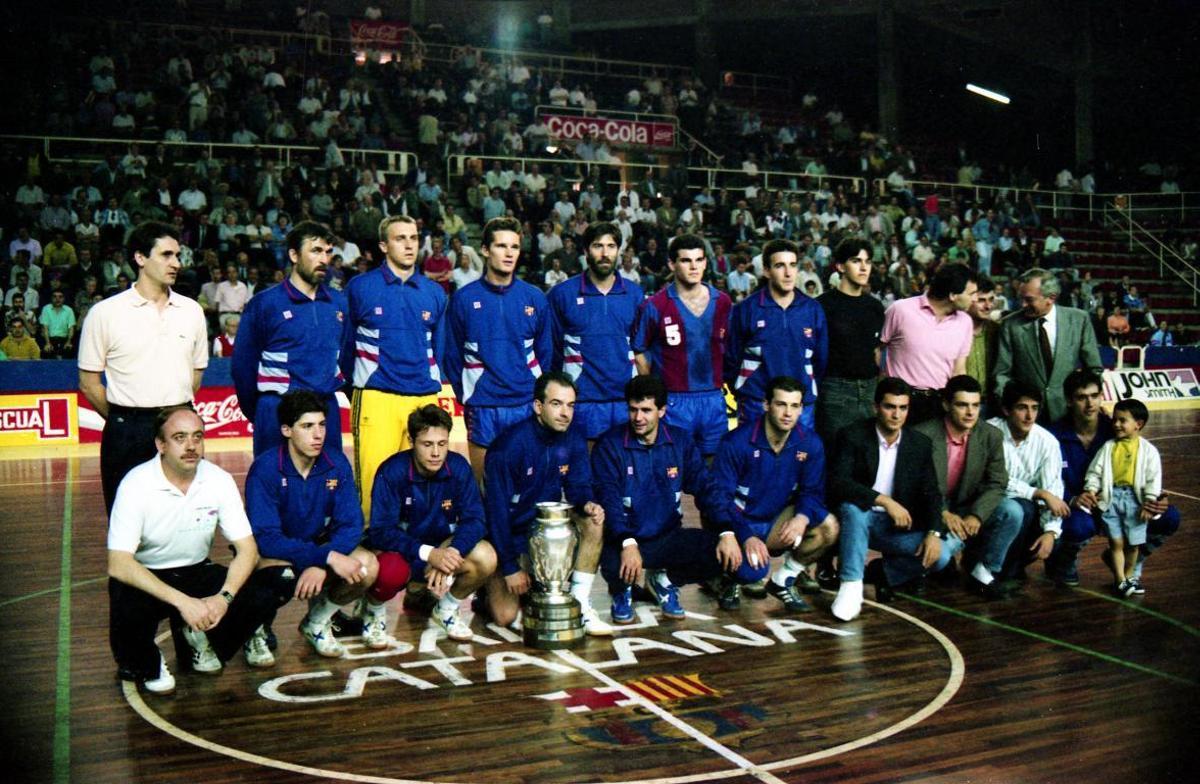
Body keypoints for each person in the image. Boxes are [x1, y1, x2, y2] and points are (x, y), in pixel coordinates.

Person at [107, 407, 277, 693]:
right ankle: (147, 660)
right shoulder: (136, 484)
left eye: (197, 437)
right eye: (179, 437)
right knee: (132, 641)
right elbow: (118, 564)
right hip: (149, 576)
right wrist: (183, 602)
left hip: (196, 570)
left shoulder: (218, 479)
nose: (190, 446)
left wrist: (223, 598)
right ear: (160, 445)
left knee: (265, 590)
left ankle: (198, 639)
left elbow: (247, 549)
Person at [592, 376, 768, 622]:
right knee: (613, 565)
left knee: (741, 562)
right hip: (625, 540)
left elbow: (708, 489)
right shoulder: (609, 445)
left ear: (662, 411)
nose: (638, 418)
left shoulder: (681, 442)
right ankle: (622, 591)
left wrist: (727, 532)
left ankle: (665, 581)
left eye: (646, 410)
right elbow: (608, 498)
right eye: (633, 410)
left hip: (668, 537)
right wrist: (626, 542)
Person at [78, 222, 208, 514]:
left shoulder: (192, 311)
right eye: (166, 255)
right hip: (127, 430)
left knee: (185, 516)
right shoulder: (104, 313)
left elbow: (196, 375)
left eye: (178, 255)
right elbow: (88, 383)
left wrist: (171, 416)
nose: (176, 263)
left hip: (181, 422)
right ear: (140, 258)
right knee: (128, 519)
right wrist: (127, 418)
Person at [244, 392, 378, 661]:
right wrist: (325, 557)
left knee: (368, 566)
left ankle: (316, 621)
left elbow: (351, 524)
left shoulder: (336, 463)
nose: (318, 434)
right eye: (307, 426)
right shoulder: (265, 468)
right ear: (286, 430)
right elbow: (267, 538)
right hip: (277, 552)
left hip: (318, 546)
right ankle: (256, 630)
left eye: (322, 425)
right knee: (271, 578)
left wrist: (321, 561)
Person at [481, 372, 611, 636]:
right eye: (557, 404)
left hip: (545, 534)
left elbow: (578, 486)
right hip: (509, 537)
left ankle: (579, 604)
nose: (565, 413)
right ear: (538, 406)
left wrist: (587, 503)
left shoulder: (574, 437)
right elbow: (495, 515)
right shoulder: (508, 448)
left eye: (570, 405)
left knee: (593, 522)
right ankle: (487, 588)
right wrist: (509, 567)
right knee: (505, 617)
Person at [346, 215, 448, 520]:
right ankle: (370, 551)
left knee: (425, 481)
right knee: (374, 480)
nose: (408, 245)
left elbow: (440, 350)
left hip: (423, 398)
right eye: (400, 238)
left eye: (414, 238)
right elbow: (344, 346)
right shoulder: (361, 287)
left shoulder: (435, 293)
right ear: (383, 245)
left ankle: (421, 551)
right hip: (377, 397)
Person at [366, 405, 497, 642]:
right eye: (427, 444)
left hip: (442, 548)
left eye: (442, 444)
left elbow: (476, 519)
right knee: (387, 571)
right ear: (411, 440)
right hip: (405, 553)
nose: (436, 452)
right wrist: (429, 554)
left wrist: (451, 551)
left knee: (486, 556)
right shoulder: (391, 471)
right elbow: (380, 532)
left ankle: (446, 609)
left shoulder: (458, 467)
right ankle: (373, 611)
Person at [708, 376, 839, 612]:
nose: (787, 413)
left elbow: (812, 491)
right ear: (766, 405)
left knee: (828, 527)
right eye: (781, 404)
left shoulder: (810, 443)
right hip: (737, 524)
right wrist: (745, 535)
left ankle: (784, 580)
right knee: (752, 572)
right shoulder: (736, 442)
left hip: (774, 522)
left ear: (801, 409)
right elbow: (719, 500)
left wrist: (801, 518)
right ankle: (728, 578)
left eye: (794, 406)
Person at [827, 377, 953, 621]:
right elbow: (838, 482)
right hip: (857, 521)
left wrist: (933, 533)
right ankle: (851, 585)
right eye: (890, 407)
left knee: (943, 555)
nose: (896, 415)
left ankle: (883, 572)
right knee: (854, 509)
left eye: (902, 408)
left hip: (896, 527)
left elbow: (932, 493)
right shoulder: (852, 435)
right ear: (876, 407)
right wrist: (884, 500)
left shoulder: (919, 444)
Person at [1045, 370, 1180, 589]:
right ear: (1069, 401)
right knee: (1078, 525)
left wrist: (1157, 497)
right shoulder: (1052, 436)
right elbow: (1045, 481)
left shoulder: (1116, 428)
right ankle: (1063, 562)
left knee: (1169, 517)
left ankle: (1131, 560)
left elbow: (1142, 466)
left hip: (1121, 503)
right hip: (1078, 508)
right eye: (1081, 397)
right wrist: (1071, 499)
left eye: (1095, 395)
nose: (1090, 403)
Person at [444, 216, 552, 483]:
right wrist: (470, 393)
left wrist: (536, 395)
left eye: (514, 247)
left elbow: (546, 354)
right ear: (484, 250)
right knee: (485, 487)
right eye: (501, 246)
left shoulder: (535, 297)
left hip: (525, 403)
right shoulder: (463, 299)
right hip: (483, 407)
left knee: (527, 487)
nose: (509, 253)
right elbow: (451, 356)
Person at [232, 221, 352, 456]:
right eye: (316, 251)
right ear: (294, 255)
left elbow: (347, 359)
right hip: (277, 408)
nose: (324, 259)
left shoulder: (340, 303)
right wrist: (261, 412)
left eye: (328, 252)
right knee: (273, 486)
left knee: (328, 486)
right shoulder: (265, 303)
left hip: (325, 408)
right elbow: (242, 367)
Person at [913, 376, 1020, 599]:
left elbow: (997, 482)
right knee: (940, 557)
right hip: (933, 511)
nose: (971, 412)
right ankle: (909, 570)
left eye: (975, 405)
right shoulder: (922, 435)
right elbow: (916, 487)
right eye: (962, 405)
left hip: (968, 507)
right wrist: (942, 513)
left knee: (1013, 511)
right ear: (946, 405)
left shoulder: (991, 435)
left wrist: (977, 516)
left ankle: (984, 571)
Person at [632, 234, 733, 458]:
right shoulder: (655, 305)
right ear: (671, 264)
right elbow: (639, 351)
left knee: (713, 466)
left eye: (699, 260)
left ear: (706, 263)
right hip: (674, 400)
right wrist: (654, 393)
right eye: (686, 261)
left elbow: (730, 348)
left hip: (714, 399)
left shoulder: (724, 302)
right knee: (673, 466)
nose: (694, 267)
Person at [547, 221, 644, 442]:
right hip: (581, 403)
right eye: (597, 246)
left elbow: (642, 351)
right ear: (585, 251)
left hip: (624, 401)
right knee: (583, 474)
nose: (604, 253)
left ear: (618, 251)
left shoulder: (635, 295)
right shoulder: (562, 294)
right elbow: (551, 351)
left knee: (624, 472)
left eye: (611, 246)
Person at [726, 239, 828, 432]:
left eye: (792, 265)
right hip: (756, 401)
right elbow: (732, 357)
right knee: (753, 459)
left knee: (798, 460)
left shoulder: (812, 309)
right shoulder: (747, 309)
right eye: (780, 265)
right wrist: (744, 391)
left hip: (801, 405)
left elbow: (820, 360)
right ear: (766, 271)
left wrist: (807, 391)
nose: (788, 273)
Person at [984, 381, 1069, 585]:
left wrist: (1050, 531)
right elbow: (992, 479)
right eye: (1022, 408)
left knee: (1054, 539)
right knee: (1022, 509)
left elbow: (1053, 489)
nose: (1029, 416)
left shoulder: (1047, 442)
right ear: (1006, 409)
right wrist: (1037, 493)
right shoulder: (988, 432)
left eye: (1034, 408)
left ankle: (1010, 568)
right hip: (986, 504)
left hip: (1021, 509)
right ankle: (992, 569)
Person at [994, 268, 1102, 423]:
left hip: (1070, 415)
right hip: (1027, 418)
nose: (1023, 304)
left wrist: (1090, 403)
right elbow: (1001, 373)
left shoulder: (1079, 320)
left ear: (1051, 298)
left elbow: (1094, 369)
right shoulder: (1010, 325)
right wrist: (1009, 406)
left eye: (1029, 299)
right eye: (1021, 298)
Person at [1079, 399, 1163, 596]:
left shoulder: (1149, 451)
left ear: (1138, 424)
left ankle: (1129, 576)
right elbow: (1095, 471)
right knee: (1116, 543)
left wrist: (1149, 501)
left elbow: (1153, 478)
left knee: (1134, 544)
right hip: (1112, 499)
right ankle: (1120, 579)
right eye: (1115, 420)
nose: (1116, 424)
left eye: (1122, 420)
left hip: (1135, 501)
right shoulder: (1108, 447)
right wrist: (1091, 488)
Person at [878, 262, 977, 424]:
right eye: (971, 293)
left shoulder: (965, 322)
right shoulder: (900, 310)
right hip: (901, 403)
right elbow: (878, 350)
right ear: (953, 295)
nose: (974, 299)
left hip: (940, 405)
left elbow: (959, 370)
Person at [816, 238, 886, 442]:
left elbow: (877, 351)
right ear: (840, 266)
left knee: (865, 456)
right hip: (834, 390)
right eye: (856, 261)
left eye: (868, 261)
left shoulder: (875, 306)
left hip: (869, 389)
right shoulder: (823, 305)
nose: (864, 267)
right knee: (836, 454)